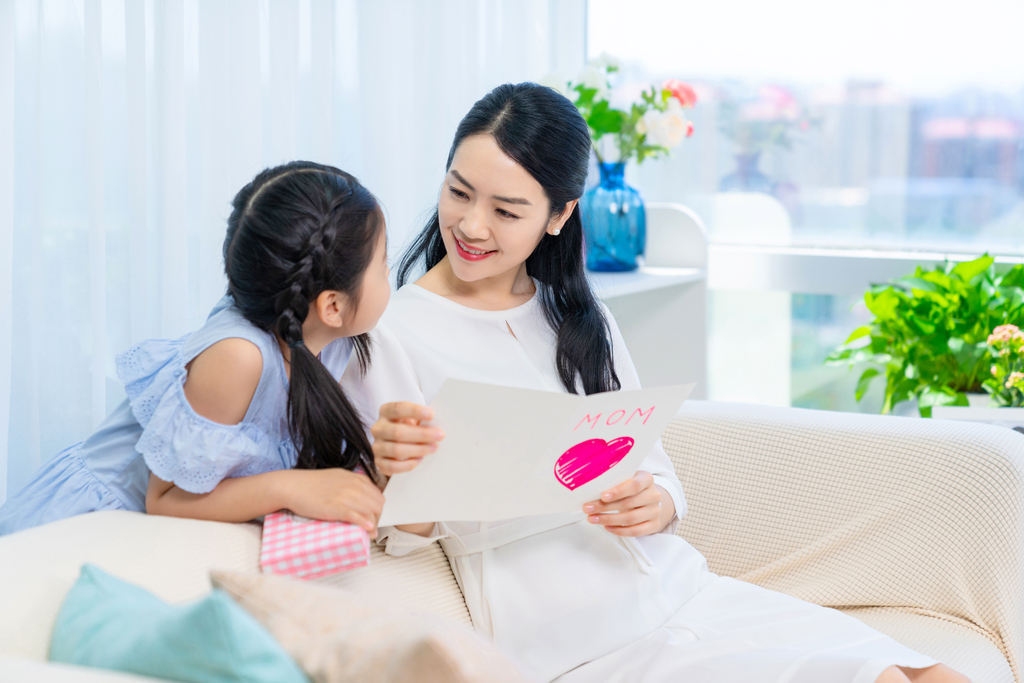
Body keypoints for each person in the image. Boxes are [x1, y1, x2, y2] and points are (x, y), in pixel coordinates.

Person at [341, 84, 970, 683]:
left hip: (687, 592)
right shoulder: (391, 332)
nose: (473, 226)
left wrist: (657, 502)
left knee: (933, 673)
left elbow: (653, 465)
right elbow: (400, 532)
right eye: (459, 192)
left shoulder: (578, 317)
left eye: (507, 211)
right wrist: (396, 474)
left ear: (559, 216)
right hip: (577, 641)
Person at [0, 161, 389, 537]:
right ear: (332, 306)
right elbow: (166, 500)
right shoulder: (239, 356)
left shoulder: (326, 340)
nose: (389, 274)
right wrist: (287, 488)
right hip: (89, 522)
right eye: (383, 265)